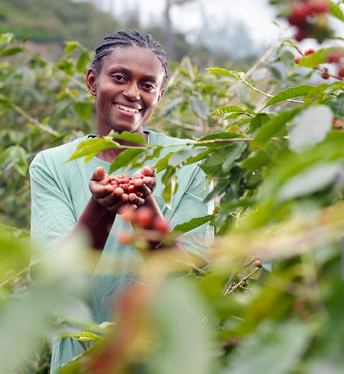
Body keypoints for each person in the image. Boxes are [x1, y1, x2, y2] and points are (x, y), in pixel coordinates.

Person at [29, 30, 213, 373]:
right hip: (82, 359)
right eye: (119, 77)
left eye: (147, 85)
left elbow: (193, 273)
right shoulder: (52, 165)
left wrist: (144, 209)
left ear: (159, 95)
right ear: (92, 81)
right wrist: (100, 208)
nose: (133, 93)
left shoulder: (190, 161)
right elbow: (53, 275)